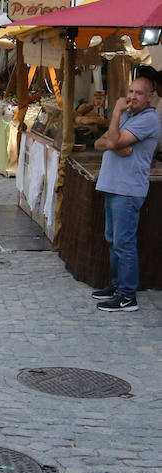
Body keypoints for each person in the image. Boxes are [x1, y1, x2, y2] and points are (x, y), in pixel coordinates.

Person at [91, 76, 161, 312]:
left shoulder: (148, 120)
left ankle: (127, 295)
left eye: (138, 93)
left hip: (128, 189)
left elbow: (112, 142)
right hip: (113, 185)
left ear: (151, 96)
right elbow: (100, 143)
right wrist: (115, 142)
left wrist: (115, 116)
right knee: (113, 240)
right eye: (130, 91)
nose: (131, 97)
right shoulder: (130, 117)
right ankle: (117, 284)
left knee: (124, 243)